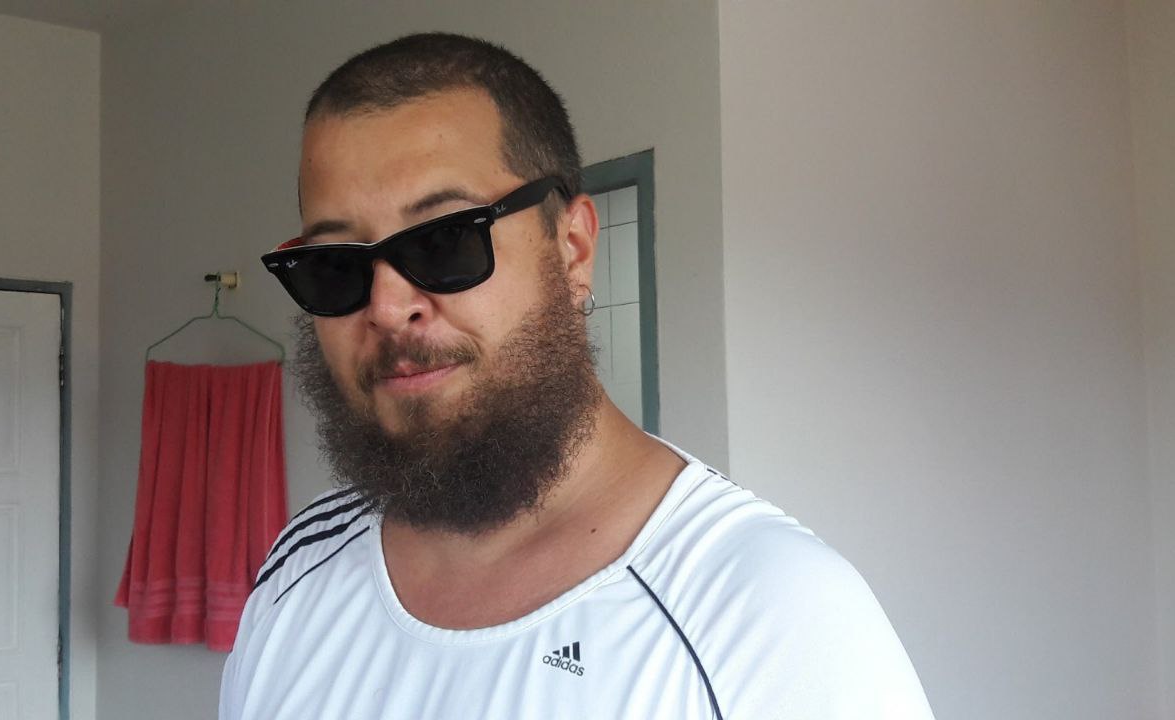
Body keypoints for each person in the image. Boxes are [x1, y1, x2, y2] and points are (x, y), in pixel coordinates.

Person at [220, 32, 934, 720]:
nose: (386, 307)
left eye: (445, 240)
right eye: (335, 265)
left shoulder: (773, 619)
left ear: (572, 249)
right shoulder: (297, 574)